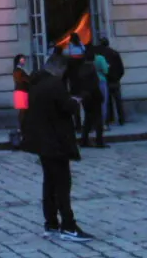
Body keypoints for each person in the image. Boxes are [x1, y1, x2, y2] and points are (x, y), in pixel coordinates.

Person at [21, 50, 94, 243]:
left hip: (42, 140)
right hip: (55, 140)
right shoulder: (54, 84)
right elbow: (66, 107)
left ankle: (51, 223)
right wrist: (75, 101)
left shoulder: (36, 83)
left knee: (50, 183)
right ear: (59, 68)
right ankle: (68, 225)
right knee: (62, 184)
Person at [76, 46, 106, 148]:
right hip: (93, 97)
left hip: (85, 97)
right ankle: (99, 141)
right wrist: (100, 97)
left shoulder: (81, 68)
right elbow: (94, 85)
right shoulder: (92, 69)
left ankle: (84, 140)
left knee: (88, 119)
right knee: (98, 120)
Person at [99, 38, 126, 126]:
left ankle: (110, 118)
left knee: (107, 101)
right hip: (115, 80)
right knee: (118, 101)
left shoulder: (100, 55)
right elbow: (121, 69)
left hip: (105, 80)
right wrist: (117, 77)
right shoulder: (115, 53)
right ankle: (121, 119)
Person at [92, 45, 110, 126]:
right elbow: (105, 71)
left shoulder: (89, 59)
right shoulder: (100, 58)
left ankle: (93, 123)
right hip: (101, 80)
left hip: (92, 81)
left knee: (93, 104)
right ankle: (103, 123)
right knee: (103, 102)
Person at [13, 54, 30, 131]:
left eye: (24, 59)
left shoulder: (20, 70)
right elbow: (22, 80)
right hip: (21, 91)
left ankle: (23, 126)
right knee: (22, 111)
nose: (23, 61)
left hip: (21, 91)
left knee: (23, 111)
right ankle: (21, 127)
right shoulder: (18, 70)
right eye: (22, 59)